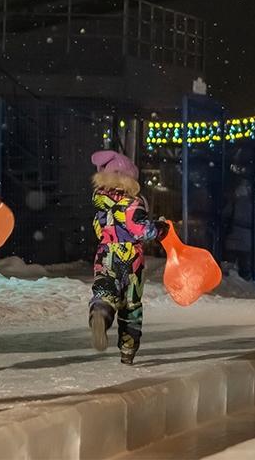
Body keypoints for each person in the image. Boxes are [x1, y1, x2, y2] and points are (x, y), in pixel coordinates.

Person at [88, 149, 168, 365]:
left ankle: (101, 313)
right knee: (130, 305)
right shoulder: (132, 203)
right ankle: (128, 350)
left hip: (105, 253)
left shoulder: (100, 203)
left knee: (105, 289)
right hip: (131, 258)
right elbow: (141, 230)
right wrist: (160, 228)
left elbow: (98, 230)